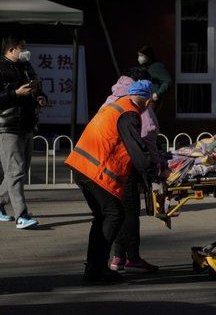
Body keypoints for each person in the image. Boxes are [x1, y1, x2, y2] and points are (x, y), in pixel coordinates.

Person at [65, 80, 156, 283]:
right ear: (148, 101)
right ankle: (97, 268)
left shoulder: (116, 106)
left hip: (82, 165)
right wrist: (154, 173)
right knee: (115, 214)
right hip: (94, 169)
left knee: (102, 216)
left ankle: (94, 266)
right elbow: (137, 148)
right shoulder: (129, 113)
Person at [0, 34, 47, 229]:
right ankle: (22, 215)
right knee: (16, 170)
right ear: (11, 50)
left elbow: (37, 89)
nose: (26, 50)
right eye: (22, 47)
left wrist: (41, 97)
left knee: (19, 170)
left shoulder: (27, 67)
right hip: (7, 126)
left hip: (27, 124)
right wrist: (15, 93)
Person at [102, 67, 161, 273]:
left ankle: (118, 257)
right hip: (125, 165)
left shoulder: (112, 99)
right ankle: (131, 257)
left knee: (117, 213)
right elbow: (147, 138)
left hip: (107, 167)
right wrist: (156, 168)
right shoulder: (134, 104)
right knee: (129, 212)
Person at [137, 45, 172, 112]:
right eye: (138, 55)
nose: (139, 58)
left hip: (151, 101)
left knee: (149, 120)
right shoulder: (144, 67)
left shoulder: (157, 67)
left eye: (141, 55)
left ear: (148, 56)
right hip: (142, 99)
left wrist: (157, 93)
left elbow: (168, 81)